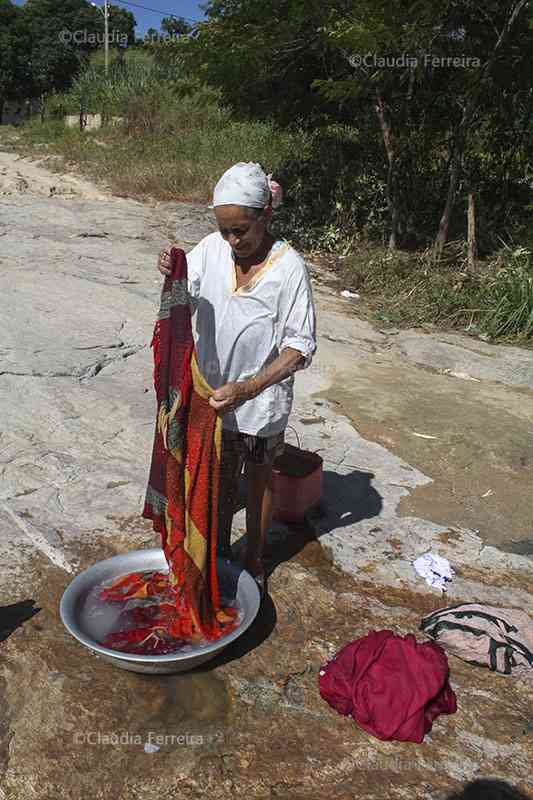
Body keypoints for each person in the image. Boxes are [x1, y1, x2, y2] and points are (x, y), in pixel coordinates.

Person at [157, 162, 317, 595]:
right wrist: (170, 266)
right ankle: (215, 553)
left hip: (260, 401)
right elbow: (183, 289)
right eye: (225, 229)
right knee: (215, 480)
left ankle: (254, 559)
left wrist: (249, 387)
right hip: (212, 396)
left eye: (241, 230)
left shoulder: (289, 269)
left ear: (265, 216)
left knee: (258, 479)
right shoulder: (210, 250)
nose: (232, 240)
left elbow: (299, 347)